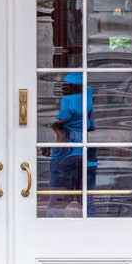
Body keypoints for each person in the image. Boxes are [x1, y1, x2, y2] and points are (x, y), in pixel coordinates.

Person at [47, 72, 97, 216]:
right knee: (87, 199)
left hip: (66, 152)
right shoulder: (88, 99)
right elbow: (91, 126)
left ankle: (51, 232)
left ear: (72, 86)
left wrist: (50, 126)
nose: (63, 87)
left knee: (58, 201)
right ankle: (94, 229)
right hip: (87, 153)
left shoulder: (68, 100)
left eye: (66, 84)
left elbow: (62, 121)